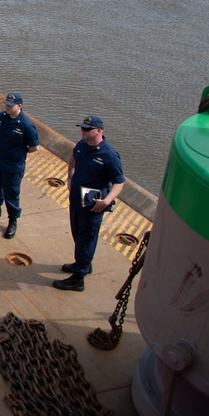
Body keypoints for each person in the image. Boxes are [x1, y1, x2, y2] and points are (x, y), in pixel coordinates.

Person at [53, 115, 125, 292]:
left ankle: (78, 279)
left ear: (99, 131)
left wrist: (107, 201)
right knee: (77, 234)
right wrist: (70, 177)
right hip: (76, 200)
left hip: (93, 205)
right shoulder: (81, 146)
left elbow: (119, 182)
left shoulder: (109, 155)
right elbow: (73, 159)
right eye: (82, 128)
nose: (82, 131)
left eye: (87, 129)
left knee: (86, 239)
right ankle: (84, 264)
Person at [0, 93, 40, 239]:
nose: (7, 107)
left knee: (12, 193)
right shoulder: (3, 117)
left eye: (11, 105)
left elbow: (34, 147)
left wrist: (18, 153)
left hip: (14, 165)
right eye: (6, 104)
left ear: (19, 106)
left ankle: (13, 220)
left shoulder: (26, 124)